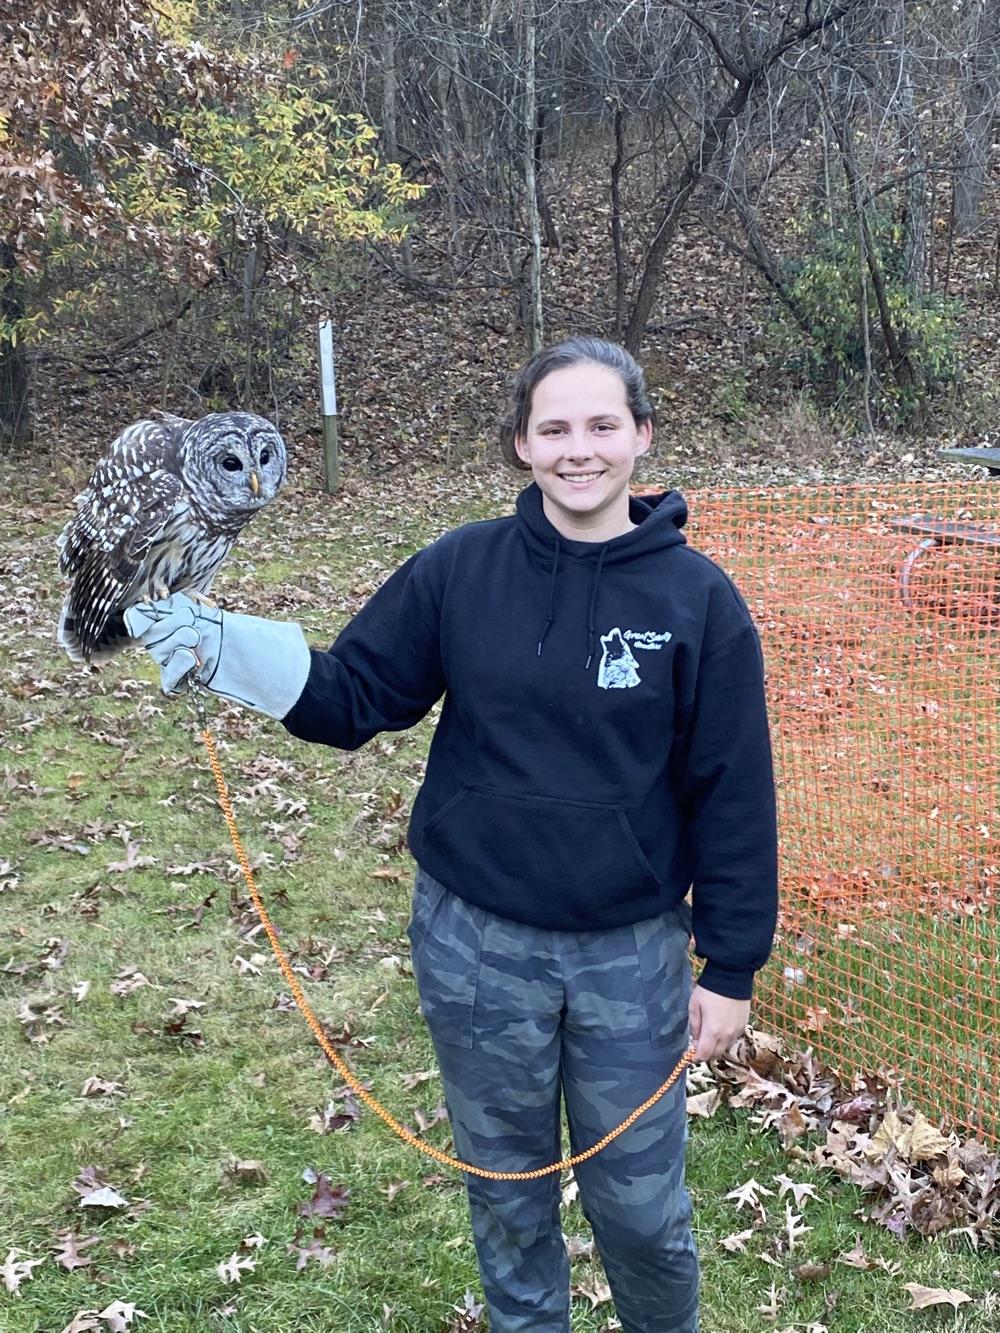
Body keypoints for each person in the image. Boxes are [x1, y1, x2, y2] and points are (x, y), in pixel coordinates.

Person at [125, 337, 778, 1333]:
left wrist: (728, 969)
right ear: (520, 443)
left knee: (641, 1216)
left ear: (642, 437)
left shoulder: (699, 602)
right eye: (553, 428)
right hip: (476, 947)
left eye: (603, 425)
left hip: (630, 957)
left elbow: (732, 792)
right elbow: (356, 697)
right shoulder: (459, 569)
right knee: (508, 1199)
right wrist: (232, 649)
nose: (579, 450)